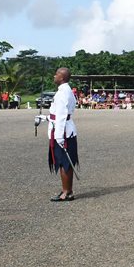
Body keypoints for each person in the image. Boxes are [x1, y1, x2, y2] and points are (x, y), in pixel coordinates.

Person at [46, 68, 79, 201]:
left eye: (57, 74)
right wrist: (46, 118)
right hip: (65, 128)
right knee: (65, 161)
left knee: (64, 162)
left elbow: (61, 115)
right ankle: (67, 190)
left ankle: (66, 192)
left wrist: (59, 136)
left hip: (62, 131)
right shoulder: (66, 90)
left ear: (62, 77)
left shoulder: (62, 93)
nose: (54, 76)